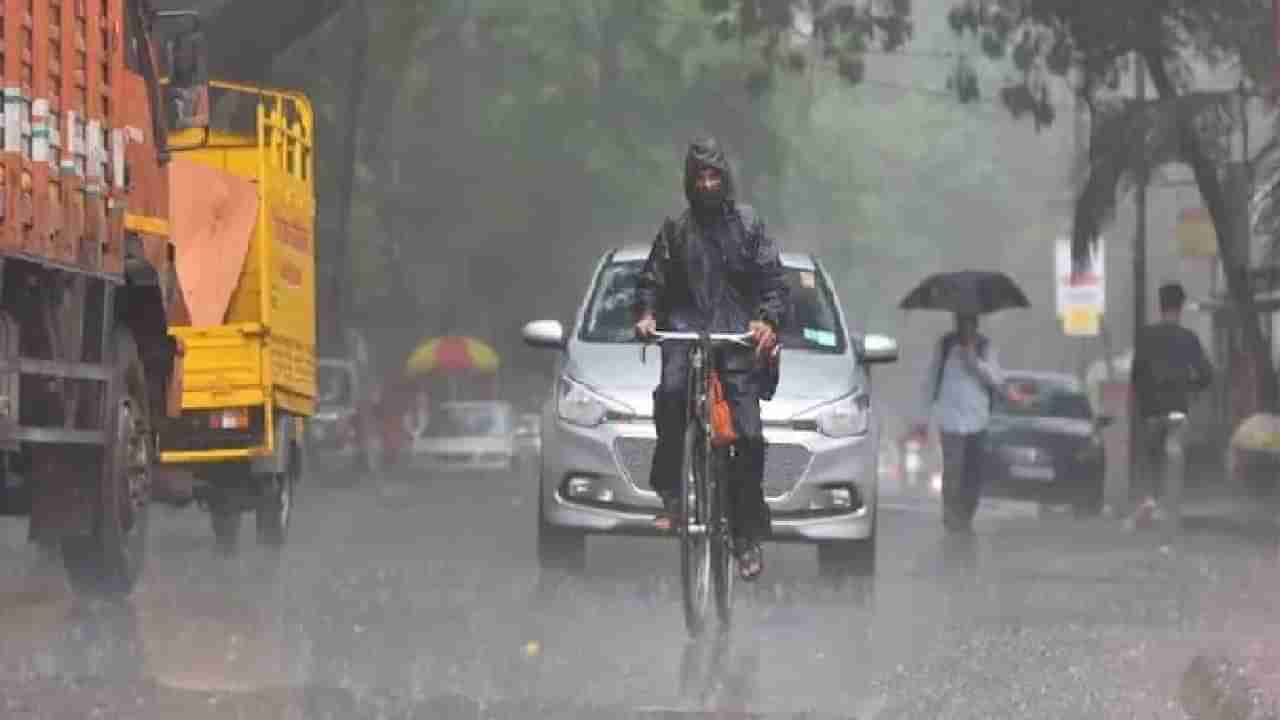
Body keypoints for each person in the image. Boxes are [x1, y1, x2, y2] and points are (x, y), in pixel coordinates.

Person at [633, 137, 788, 581]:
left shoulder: (749, 225)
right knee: (671, 395)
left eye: (713, 175)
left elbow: (772, 282)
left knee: (750, 438)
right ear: (689, 182)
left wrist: (766, 321)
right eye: (699, 176)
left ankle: (745, 537)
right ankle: (673, 495)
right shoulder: (674, 230)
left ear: (725, 179)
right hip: (684, 333)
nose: (706, 183)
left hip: (736, 338)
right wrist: (646, 315)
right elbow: (652, 281)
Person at [912, 313, 1010, 534]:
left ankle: (966, 514)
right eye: (961, 324)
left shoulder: (986, 347)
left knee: (973, 472)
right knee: (953, 470)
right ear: (956, 324)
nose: (965, 329)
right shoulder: (945, 346)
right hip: (950, 419)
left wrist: (975, 362)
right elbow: (930, 380)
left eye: (969, 324)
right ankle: (950, 515)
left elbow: (997, 380)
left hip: (978, 420)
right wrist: (922, 418)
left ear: (975, 325)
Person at [1128, 282, 1213, 529]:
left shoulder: (1145, 336)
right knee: (1174, 457)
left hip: (1152, 412)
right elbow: (1206, 375)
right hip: (1177, 410)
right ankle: (1171, 512)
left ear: (1160, 306)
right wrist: (1191, 387)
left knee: (1153, 459)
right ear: (1180, 308)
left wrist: (1145, 405)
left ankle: (1151, 501)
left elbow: (1136, 375)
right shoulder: (1188, 339)